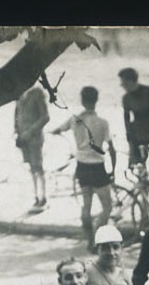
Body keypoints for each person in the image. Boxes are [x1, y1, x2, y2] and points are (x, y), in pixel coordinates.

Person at [51, 85, 116, 248]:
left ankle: (89, 238)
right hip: (97, 167)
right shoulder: (103, 122)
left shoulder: (75, 119)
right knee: (107, 207)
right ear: (96, 100)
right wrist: (113, 170)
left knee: (86, 205)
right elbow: (112, 149)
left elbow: (58, 129)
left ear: (82, 100)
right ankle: (97, 236)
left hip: (82, 167)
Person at [13, 81, 49, 211]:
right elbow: (16, 113)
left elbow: (45, 117)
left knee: (38, 167)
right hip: (23, 138)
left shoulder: (37, 93)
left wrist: (30, 131)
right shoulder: (20, 92)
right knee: (31, 168)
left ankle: (43, 197)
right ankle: (36, 197)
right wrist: (16, 130)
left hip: (34, 138)